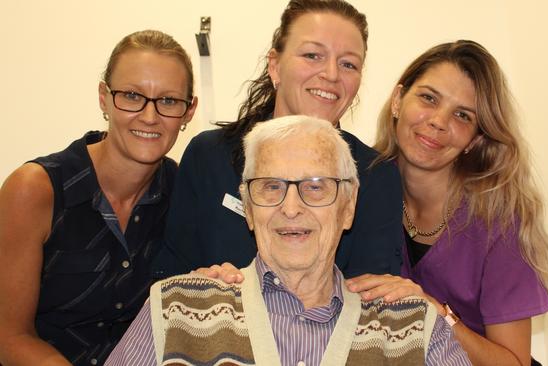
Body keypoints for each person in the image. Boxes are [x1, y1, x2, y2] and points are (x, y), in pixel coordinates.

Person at [105, 115, 470, 366]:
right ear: (248, 208)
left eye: (315, 187)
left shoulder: (413, 330)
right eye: (270, 187)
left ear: (348, 207)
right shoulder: (175, 310)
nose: (290, 207)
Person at [152, 0, 403, 280]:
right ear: (275, 66)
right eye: (312, 55)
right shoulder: (209, 157)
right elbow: (171, 277)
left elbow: (371, 298)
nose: (331, 74)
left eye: (348, 64)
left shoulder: (376, 177)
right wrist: (198, 283)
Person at [346, 40, 548, 366]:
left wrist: (435, 312)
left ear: (474, 139)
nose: (438, 121)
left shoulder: (498, 221)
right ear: (397, 100)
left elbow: (513, 362)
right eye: (428, 98)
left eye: (462, 115)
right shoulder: (356, 187)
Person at [0, 30, 197, 365]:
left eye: (168, 101)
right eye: (132, 96)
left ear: (188, 112)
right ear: (104, 97)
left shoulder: (183, 191)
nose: (150, 116)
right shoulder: (35, 189)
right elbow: (8, 338)